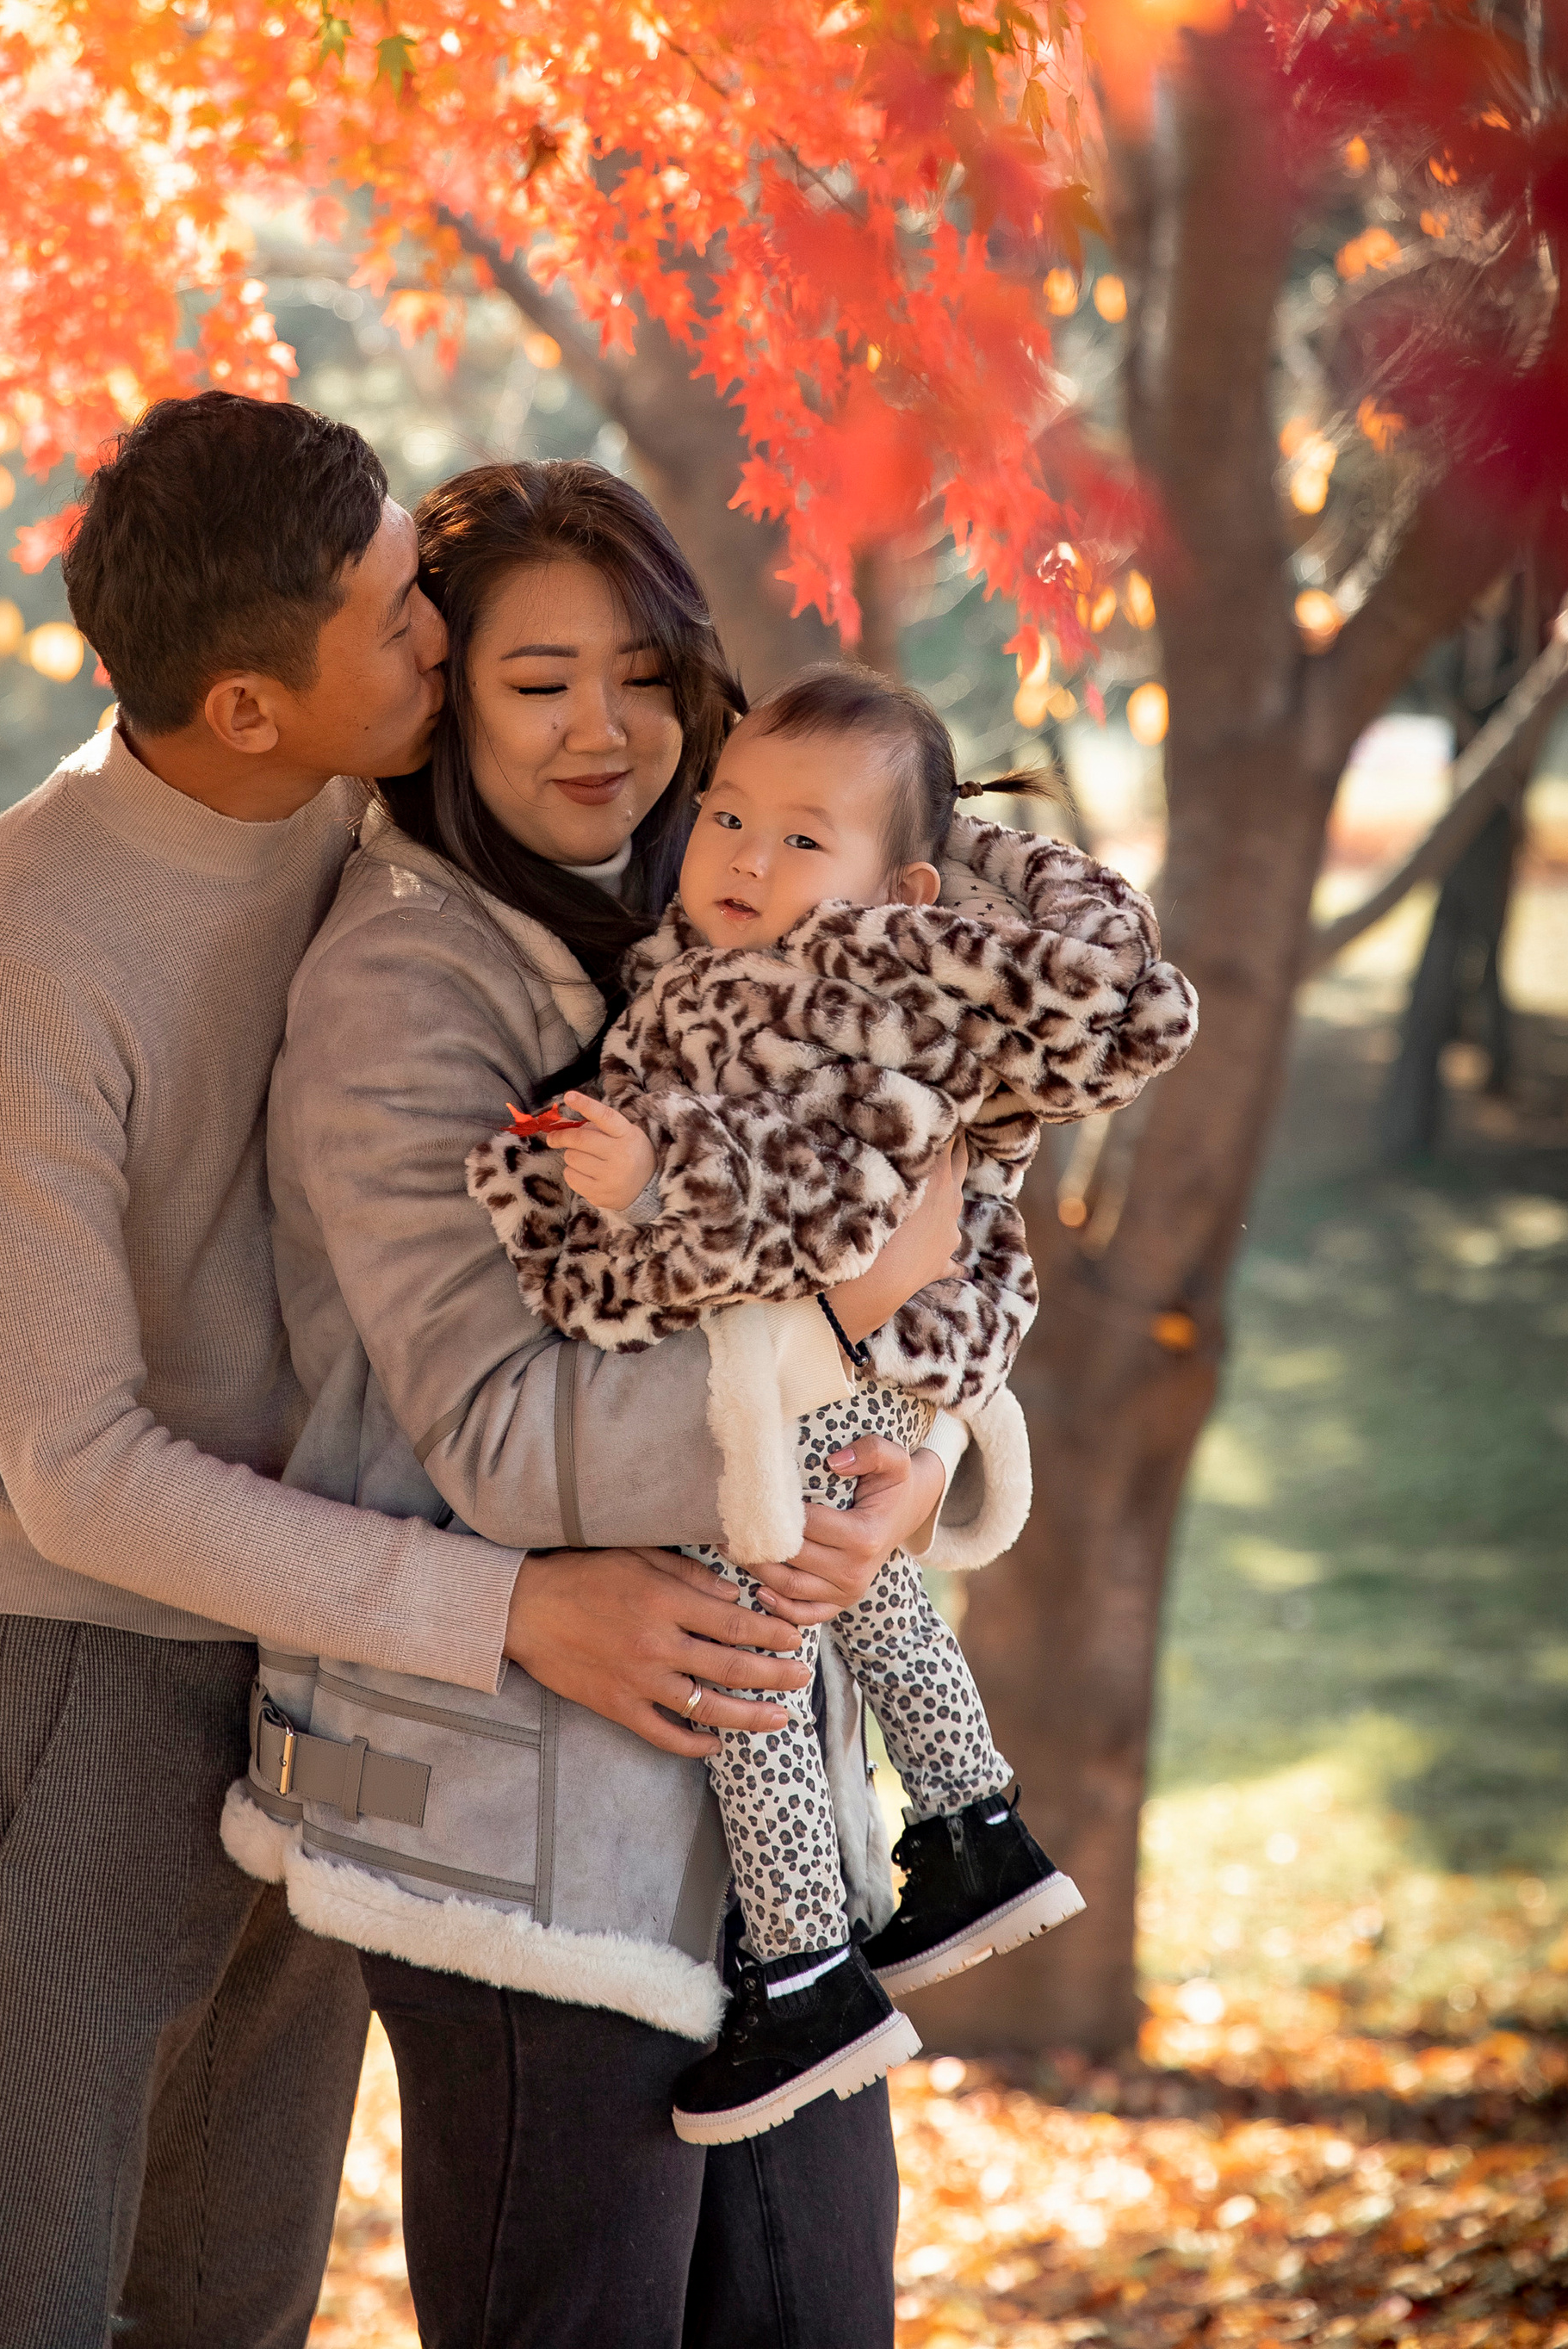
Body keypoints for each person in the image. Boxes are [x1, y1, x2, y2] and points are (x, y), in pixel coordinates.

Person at [0, 399, 811, 2347]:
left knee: (233, 2298)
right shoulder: (20, 945)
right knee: (20, 2293)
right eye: (403, 615)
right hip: (79, 1672)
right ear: (244, 707)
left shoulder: (363, 812)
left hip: (326, 1647)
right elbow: (78, 1468)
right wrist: (506, 1614)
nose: (442, 639)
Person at [239, 461, 1005, 2349]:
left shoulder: (737, 927)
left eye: (646, 674)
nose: (609, 730)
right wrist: (839, 1350)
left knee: (816, 2313)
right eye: (538, 681)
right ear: (442, 704)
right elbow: (498, 1437)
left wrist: (921, 1467)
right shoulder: (402, 992)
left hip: (768, 1823)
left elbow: (930, 1251)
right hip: (524, 1826)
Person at [470, 663, 1199, 2143]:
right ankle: (976, 1826)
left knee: (749, 1649)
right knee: (858, 1600)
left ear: (900, 884)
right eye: (729, 815)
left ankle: (806, 1965)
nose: (744, 855)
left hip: (796, 1366)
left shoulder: (861, 987)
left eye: (804, 840)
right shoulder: (748, 958)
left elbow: (844, 1196)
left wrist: (654, 1178)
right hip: (818, 1374)